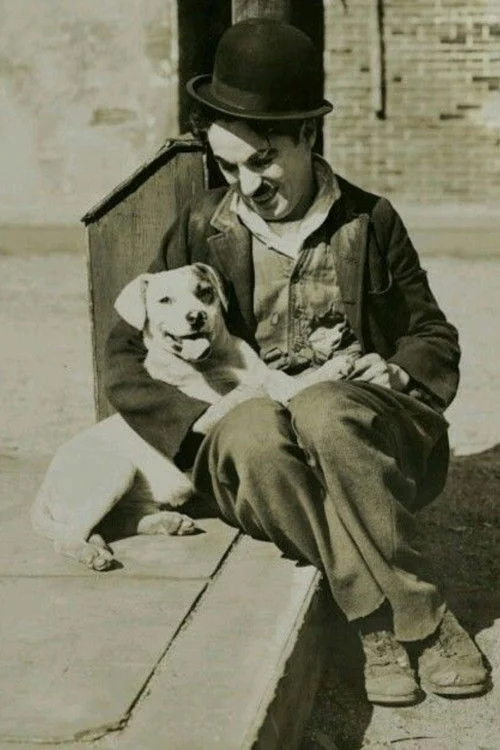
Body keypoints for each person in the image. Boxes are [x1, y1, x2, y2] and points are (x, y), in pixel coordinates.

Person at [105, 18, 488, 705]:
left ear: (309, 135)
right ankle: (394, 620)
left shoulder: (369, 221)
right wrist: (195, 421)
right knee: (253, 428)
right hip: (259, 451)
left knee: (323, 408)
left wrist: (398, 370)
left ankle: (406, 619)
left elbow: (432, 334)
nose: (247, 185)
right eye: (229, 167)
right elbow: (123, 356)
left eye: (263, 161)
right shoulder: (202, 226)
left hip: (354, 427)